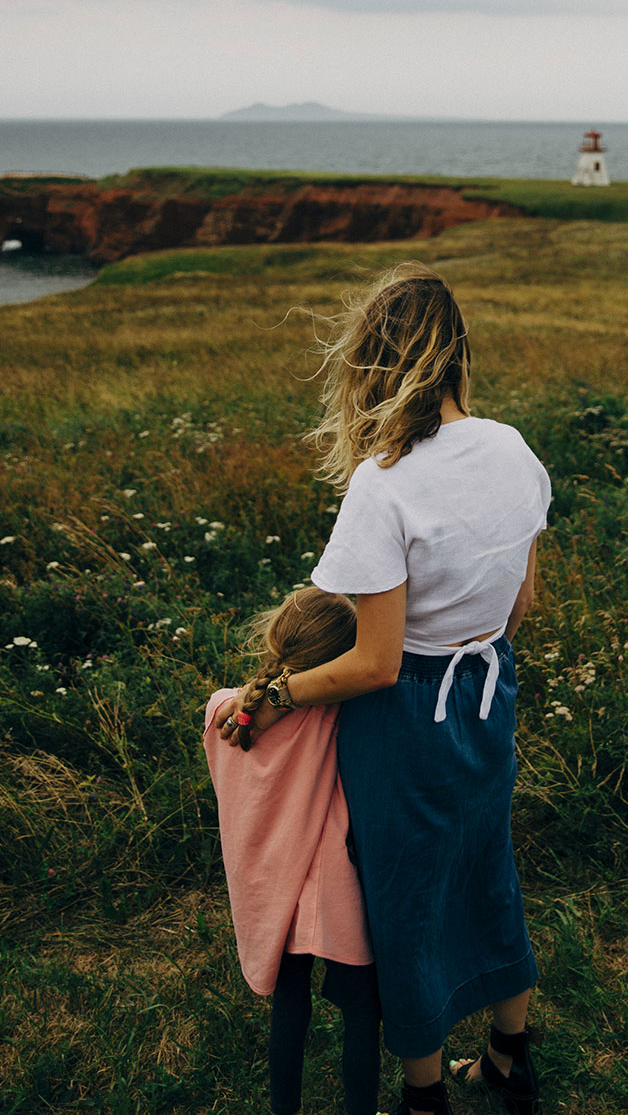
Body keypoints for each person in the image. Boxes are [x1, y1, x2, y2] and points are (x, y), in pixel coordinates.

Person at [218, 262, 551, 1115]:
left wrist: (279, 692)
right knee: (486, 868)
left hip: (409, 719)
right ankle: (512, 1061)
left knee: (404, 900)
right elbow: (521, 599)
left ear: (371, 361)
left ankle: (423, 1095)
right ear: (454, 353)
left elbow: (374, 663)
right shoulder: (512, 448)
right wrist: (475, 645)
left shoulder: (385, 484)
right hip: (489, 691)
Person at [204, 586, 385, 1115]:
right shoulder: (338, 714)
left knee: (289, 1007)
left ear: (272, 632)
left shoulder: (222, 712)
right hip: (334, 884)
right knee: (360, 1011)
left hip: (271, 889)